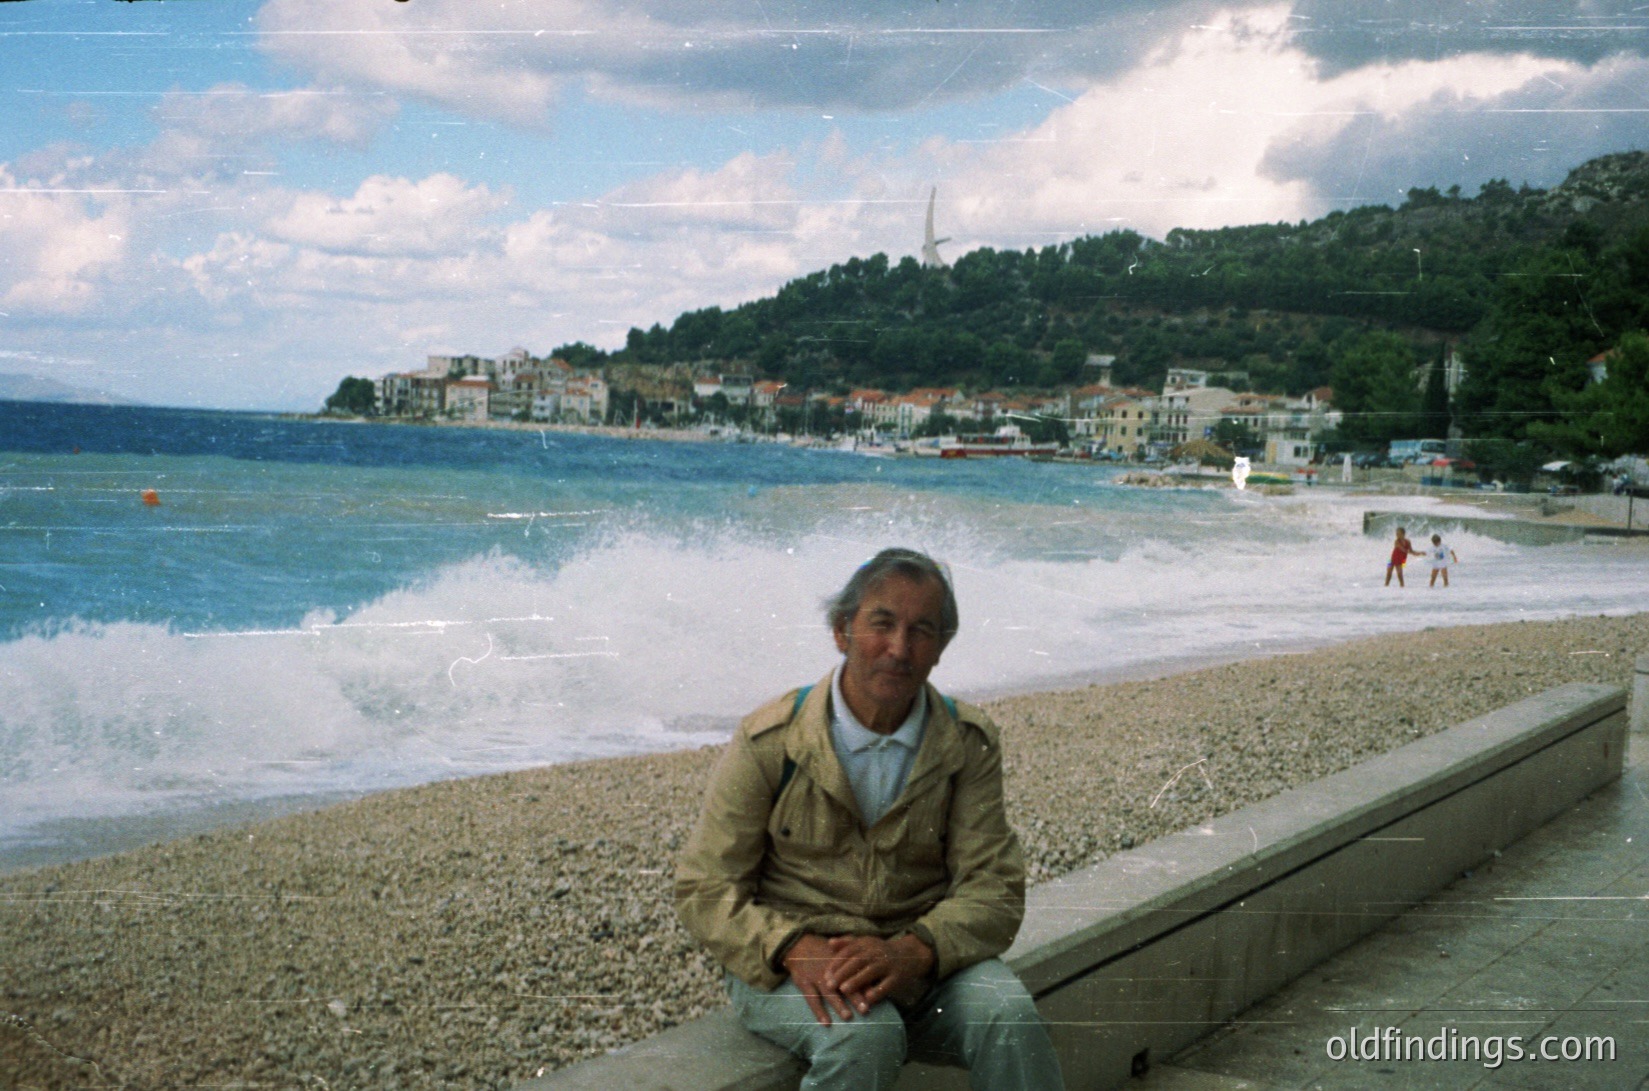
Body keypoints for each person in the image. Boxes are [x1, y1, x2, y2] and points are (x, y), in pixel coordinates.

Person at [675, 548, 1063, 1091]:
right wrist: (790, 947)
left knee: (1009, 1015)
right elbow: (704, 886)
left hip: (919, 962)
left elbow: (995, 889)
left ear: (941, 648)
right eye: (882, 624)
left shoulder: (965, 744)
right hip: (796, 967)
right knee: (864, 1036)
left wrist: (916, 950)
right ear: (842, 631)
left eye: (921, 631)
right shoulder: (771, 740)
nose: (899, 649)